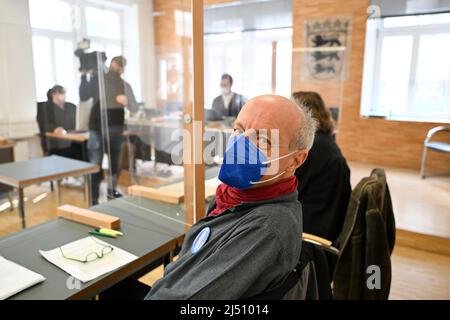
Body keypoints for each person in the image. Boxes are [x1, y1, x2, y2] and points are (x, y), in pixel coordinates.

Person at [100, 94, 317, 300]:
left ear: (296, 160)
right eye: (238, 130)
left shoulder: (266, 228)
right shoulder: (232, 196)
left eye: (262, 141)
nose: (241, 144)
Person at [292, 91, 351, 244]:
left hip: (312, 231)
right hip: (325, 222)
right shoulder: (324, 141)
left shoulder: (312, 149)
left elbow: (288, 189)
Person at [80, 56, 138, 204]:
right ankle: (93, 198)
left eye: (119, 66)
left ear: (123, 69)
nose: (116, 68)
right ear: (110, 64)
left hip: (116, 130)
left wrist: (127, 101)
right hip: (96, 129)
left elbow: (134, 107)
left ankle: (111, 192)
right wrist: (83, 76)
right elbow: (83, 95)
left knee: (114, 164)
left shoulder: (124, 85)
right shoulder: (98, 81)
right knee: (95, 165)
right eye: (115, 64)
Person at [36, 85, 77, 158]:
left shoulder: (71, 106)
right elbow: (44, 125)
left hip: (73, 139)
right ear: (53, 95)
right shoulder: (46, 108)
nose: (64, 95)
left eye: (64, 93)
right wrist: (54, 129)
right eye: (61, 93)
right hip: (56, 144)